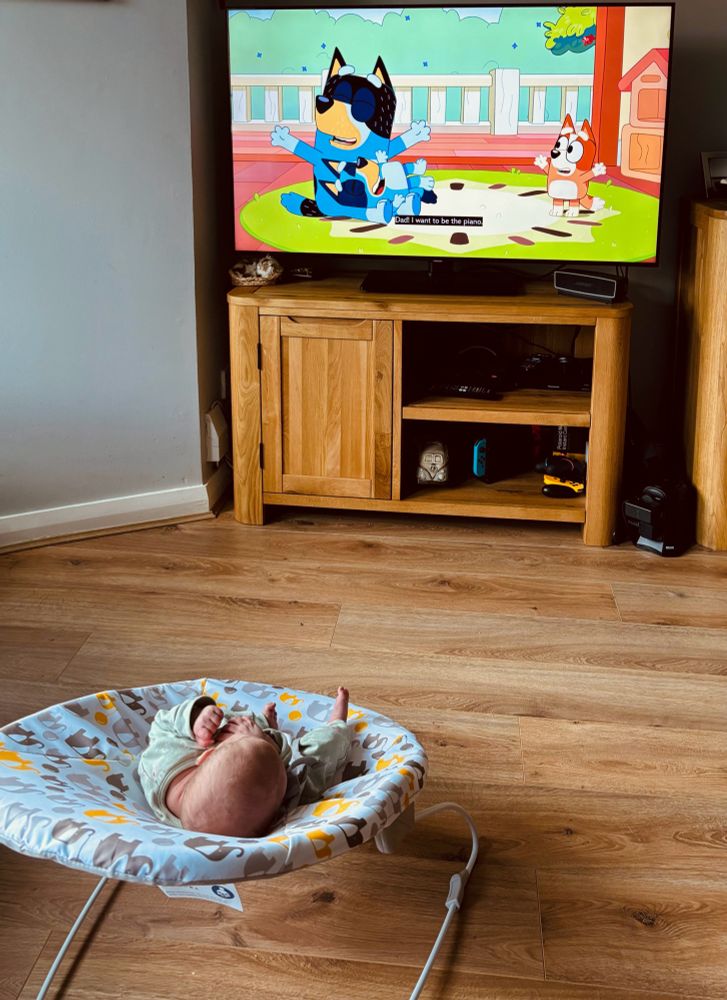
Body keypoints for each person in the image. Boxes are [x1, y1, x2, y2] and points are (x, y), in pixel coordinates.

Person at [138, 687, 351, 838]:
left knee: (228, 725)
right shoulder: (263, 810)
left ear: (206, 756)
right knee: (313, 762)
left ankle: (263, 725)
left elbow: (161, 724)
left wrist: (196, 719)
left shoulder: (161, 761)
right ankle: (335, 726)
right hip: (276, 772)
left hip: (227, 732)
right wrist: (267, 740)